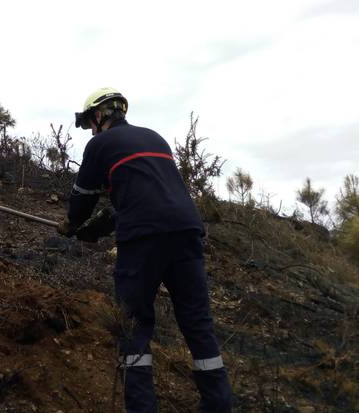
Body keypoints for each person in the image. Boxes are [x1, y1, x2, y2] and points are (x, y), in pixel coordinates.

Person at [58, 88, 232, 412]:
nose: (91, 131)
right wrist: (95, 231)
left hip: (143, 239)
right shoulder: (154, 138)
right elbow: (144, 198)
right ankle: (218, 405)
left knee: (134, 325)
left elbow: (82, 198)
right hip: (186, 231)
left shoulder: (100, 144)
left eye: (89, 123)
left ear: (99, 115)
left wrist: (71, 225)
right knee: (197, 323)